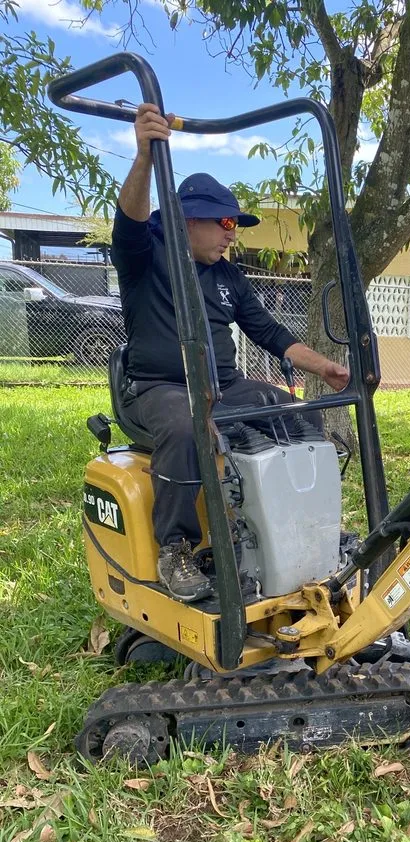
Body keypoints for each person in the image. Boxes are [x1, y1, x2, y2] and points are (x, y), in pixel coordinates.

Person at [111, 104, 349, 603]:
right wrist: (143, 157)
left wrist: (325, 368)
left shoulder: (228, 277)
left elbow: (271, 333)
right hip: (159, 388)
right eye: (223, 220)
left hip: (222, 384)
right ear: (185, 218)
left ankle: (296, 528)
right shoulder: (147, 256)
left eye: (234, 222)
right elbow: (129, 222)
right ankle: (176, 549)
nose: (231, 231)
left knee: (290, 414)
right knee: (186, 423)